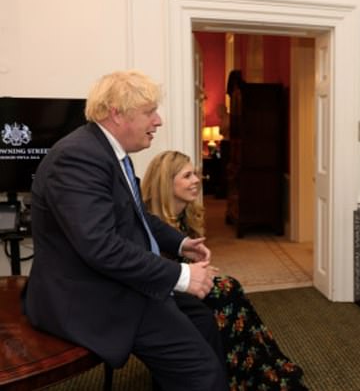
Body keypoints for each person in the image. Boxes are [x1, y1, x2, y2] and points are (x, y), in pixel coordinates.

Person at [23, 70, 229, 391]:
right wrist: (183, 276)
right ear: (116, 113)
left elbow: (135, 215)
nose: (158, 120)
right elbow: (101, 247)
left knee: (203, 322)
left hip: (124, 279)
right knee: (204, 374)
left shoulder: (109, 151)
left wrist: (181, 242)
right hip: (96, 294)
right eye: (149, 112)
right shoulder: (78, 158)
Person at [141, 150, 308, 391]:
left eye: (195, 174)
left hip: (186, 290)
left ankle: (256, 365)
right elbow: (156, 271)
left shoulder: (186, 215)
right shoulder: (149, 221)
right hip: (163, 296)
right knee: (227, 293)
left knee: (230, 289)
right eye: (187, 176)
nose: (197, 180)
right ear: (166, 182)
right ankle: (244, 370)